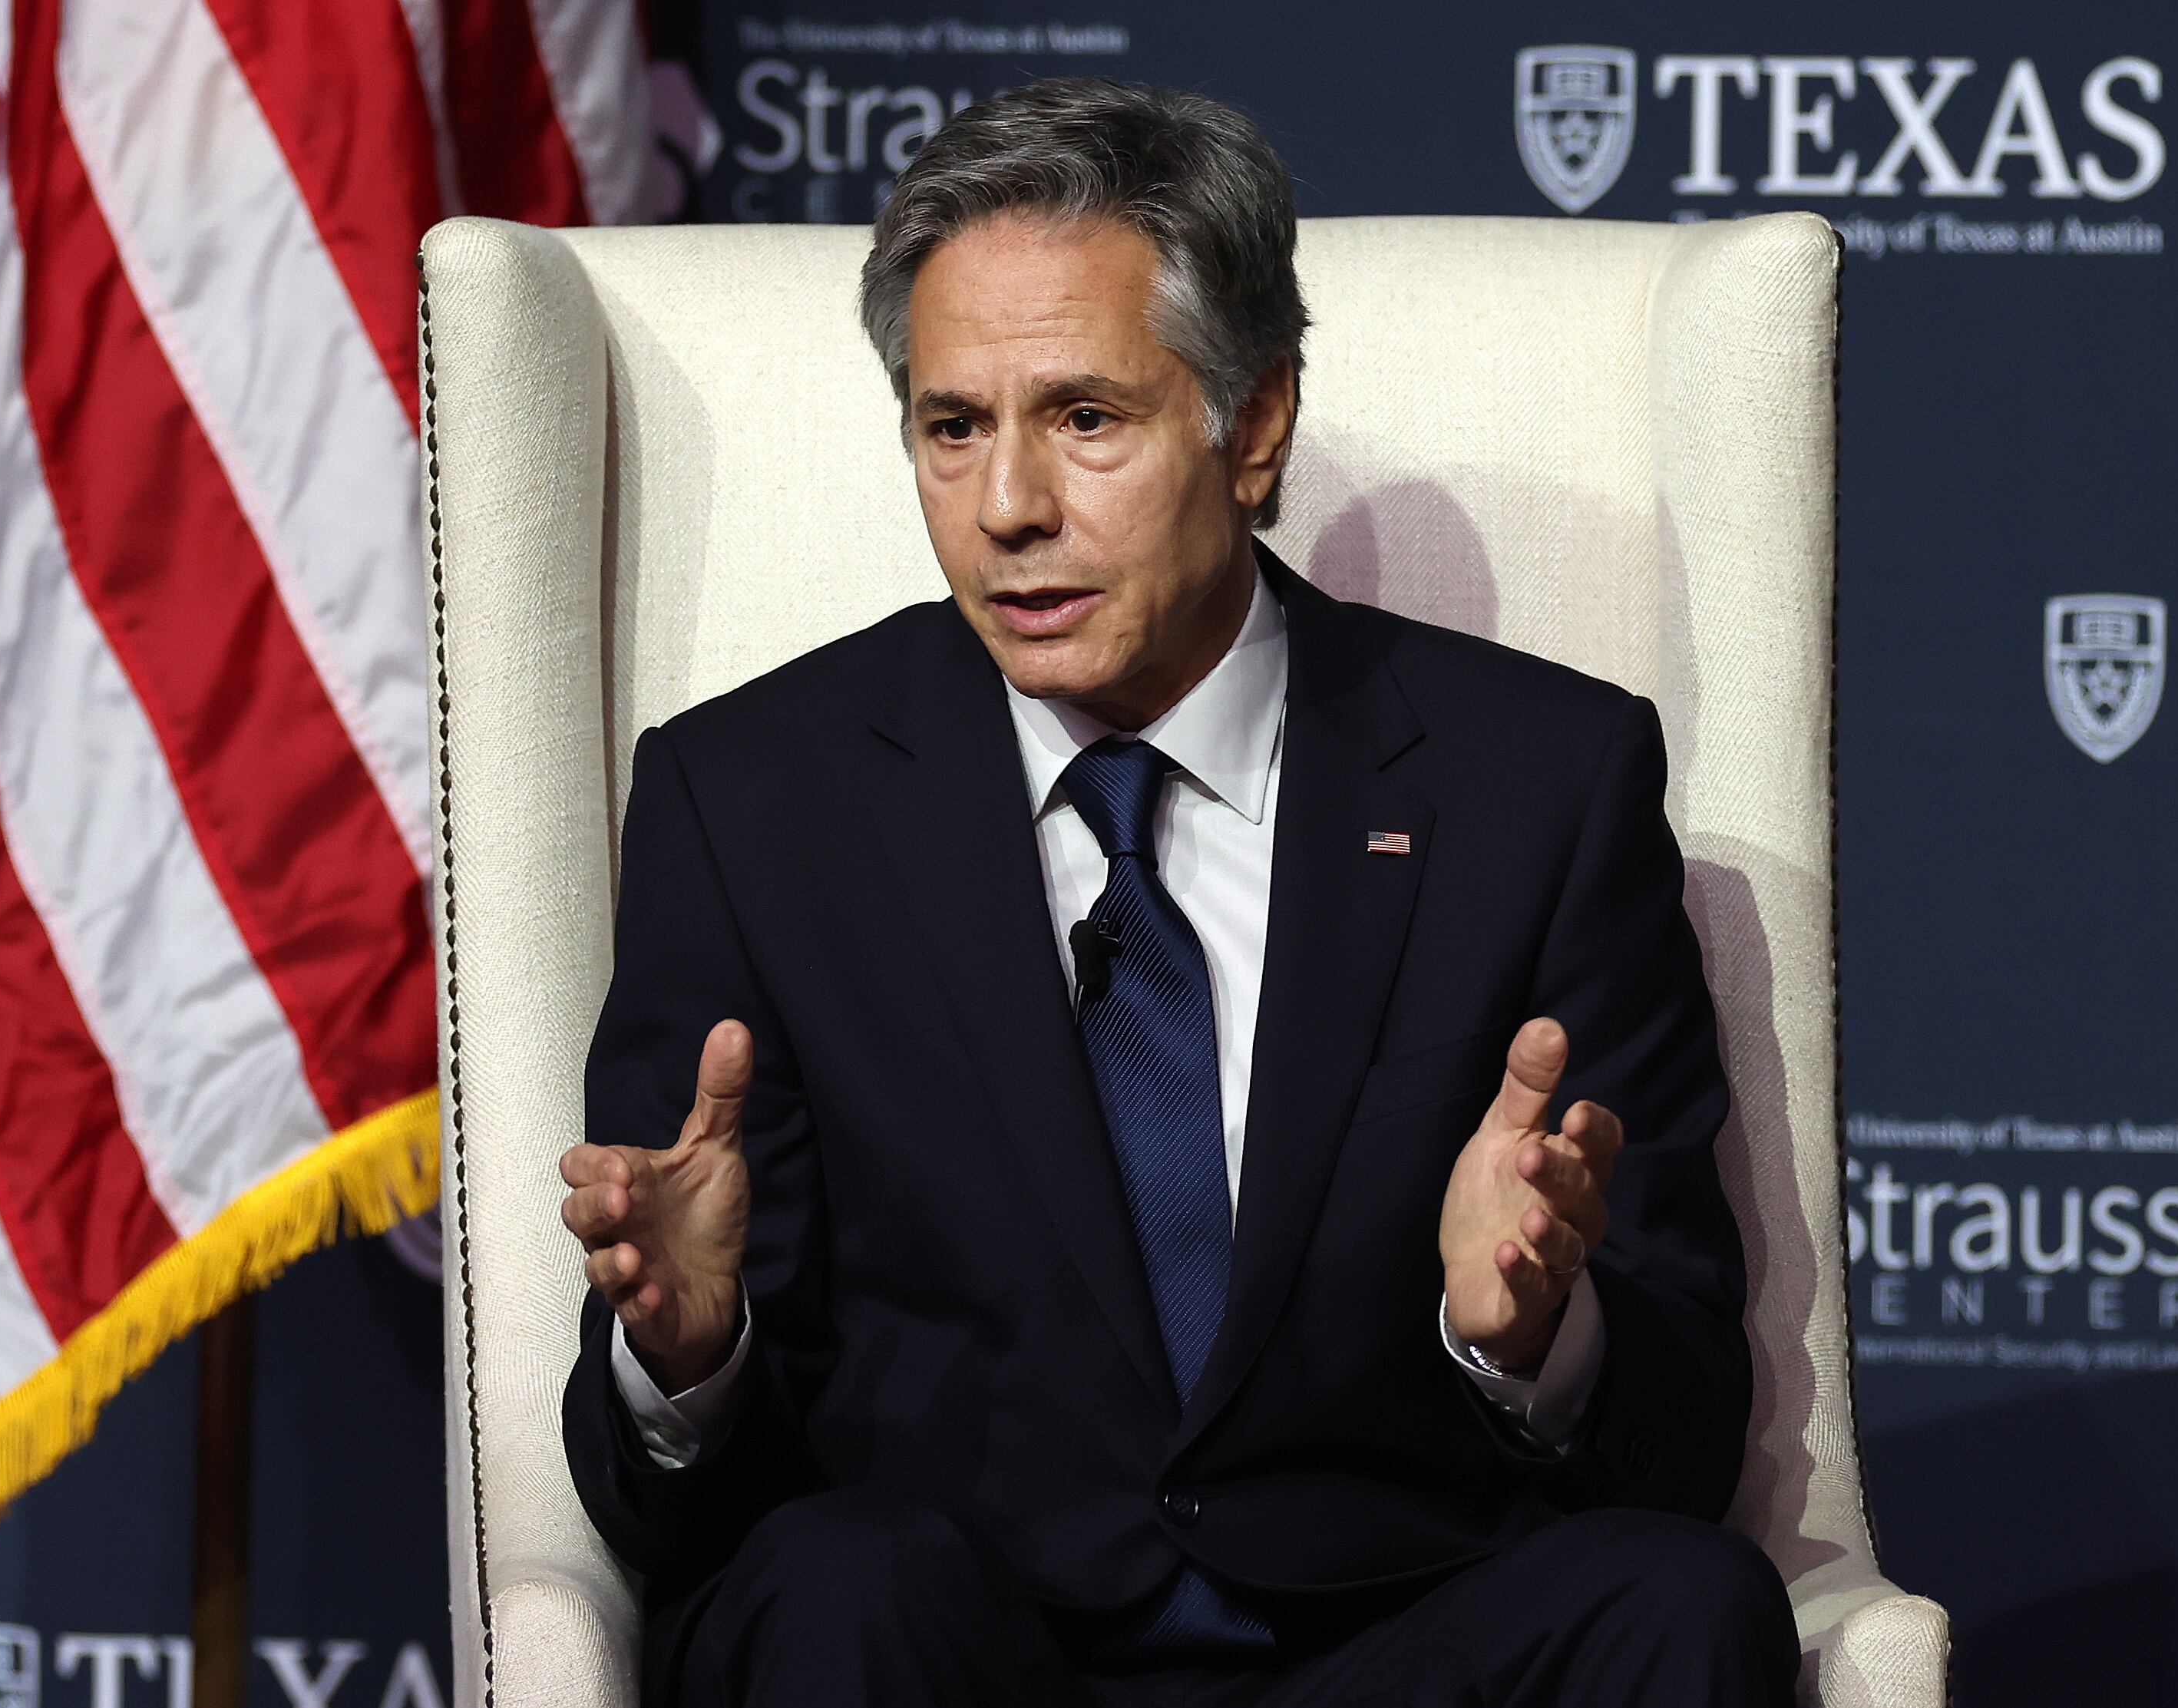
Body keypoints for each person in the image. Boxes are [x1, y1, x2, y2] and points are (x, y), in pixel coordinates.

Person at [557, 78, 1795, 1708]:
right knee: (835, 1584)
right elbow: (671, 1507)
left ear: (1252, 423)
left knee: (1680, 1603)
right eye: (952, 426)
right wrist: (688, 1354)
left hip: (1392, 1642)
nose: (1008, 507)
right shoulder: (754, 802)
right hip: (960, 1651)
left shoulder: (1535, 788)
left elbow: (1684, 1434)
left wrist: (1528, 1338)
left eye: (1083, 418)